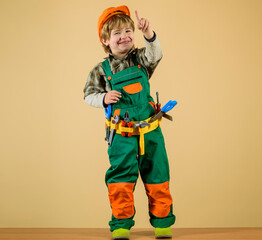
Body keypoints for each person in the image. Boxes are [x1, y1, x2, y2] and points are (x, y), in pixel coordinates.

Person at [83, 5, 176, 239]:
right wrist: (103, 98)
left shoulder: (141, 59)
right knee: (122, 177)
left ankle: (163, 222)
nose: (123, 36)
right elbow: (88, 95)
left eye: (127, 31)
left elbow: (156, 54)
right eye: (116, 33)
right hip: (121, 136)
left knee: (158, 172)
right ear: (105, 40)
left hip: (150, 131)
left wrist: (149, 35)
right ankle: (121, 224)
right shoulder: (100, 70)